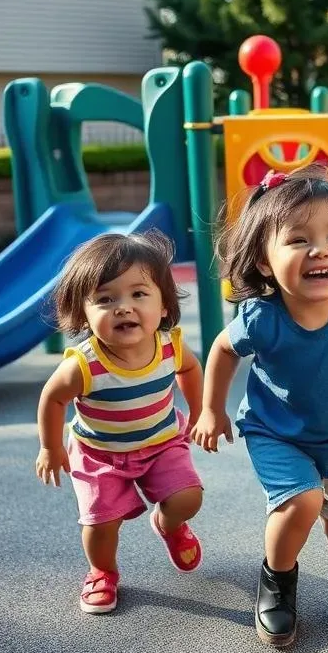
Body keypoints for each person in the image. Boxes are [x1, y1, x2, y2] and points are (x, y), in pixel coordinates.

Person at [192, 168, 328, 647]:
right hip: (277, 433)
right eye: (298, 240)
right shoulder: (263, 315)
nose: (320, 250)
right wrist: (211, 409)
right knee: (302, 500)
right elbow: (222, 350)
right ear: (265, 261)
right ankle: (277, 580)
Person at [36, 230, 205, 614]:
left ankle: (169, 523)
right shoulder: (83, 365)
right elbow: (53, 398)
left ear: (163, 305)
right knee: (99, 525)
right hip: (101, 455)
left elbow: (191, 369)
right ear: (84, 313)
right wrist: (50, 447)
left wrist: (199, 411)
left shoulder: (170, 345)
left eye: (138, 294)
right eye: (106, 299)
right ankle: (102, 572)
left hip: (161, 442)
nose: (123, 307)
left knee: (188, 497)